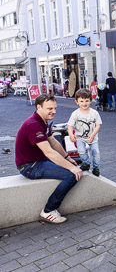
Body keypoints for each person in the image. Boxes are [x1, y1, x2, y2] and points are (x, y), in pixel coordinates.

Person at [15, 94, 83, 224]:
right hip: (30, 167)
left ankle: (49, 209)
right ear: (38, 107)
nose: (54, 111)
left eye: (55, 108)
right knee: (72, 175)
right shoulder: (33, 124)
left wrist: (67, 158)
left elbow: (54, 143)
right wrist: (71, 168)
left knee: (74, 168)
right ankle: (48, 210)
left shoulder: (43, 121)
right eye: (49, 108)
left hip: (40, 161)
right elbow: (49, 152)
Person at [68, 89, 102, 177]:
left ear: (90, 101)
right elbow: (70, 125)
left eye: (87, 101)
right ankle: (86, 163)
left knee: (96, 152)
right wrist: (71, 134)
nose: (84, 103)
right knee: (81, 151)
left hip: (93, 138)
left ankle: (96, 167)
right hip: (80, 137)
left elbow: (98, 125)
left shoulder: (94, 113)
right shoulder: (75, 114)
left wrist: (93, 134)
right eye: (81, 101)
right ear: (77, 102)